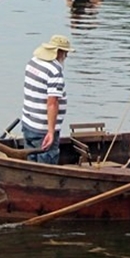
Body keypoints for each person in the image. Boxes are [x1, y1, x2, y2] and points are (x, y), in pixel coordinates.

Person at [21, 34, 75, 164]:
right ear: (60, 53)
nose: (66, 57)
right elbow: (52, 103)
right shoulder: (54, 71)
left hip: (28, 122)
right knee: (47, 161)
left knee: (30, 161)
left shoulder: (33, 62)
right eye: (65, 53)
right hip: (43, 128)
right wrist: (50, 132)